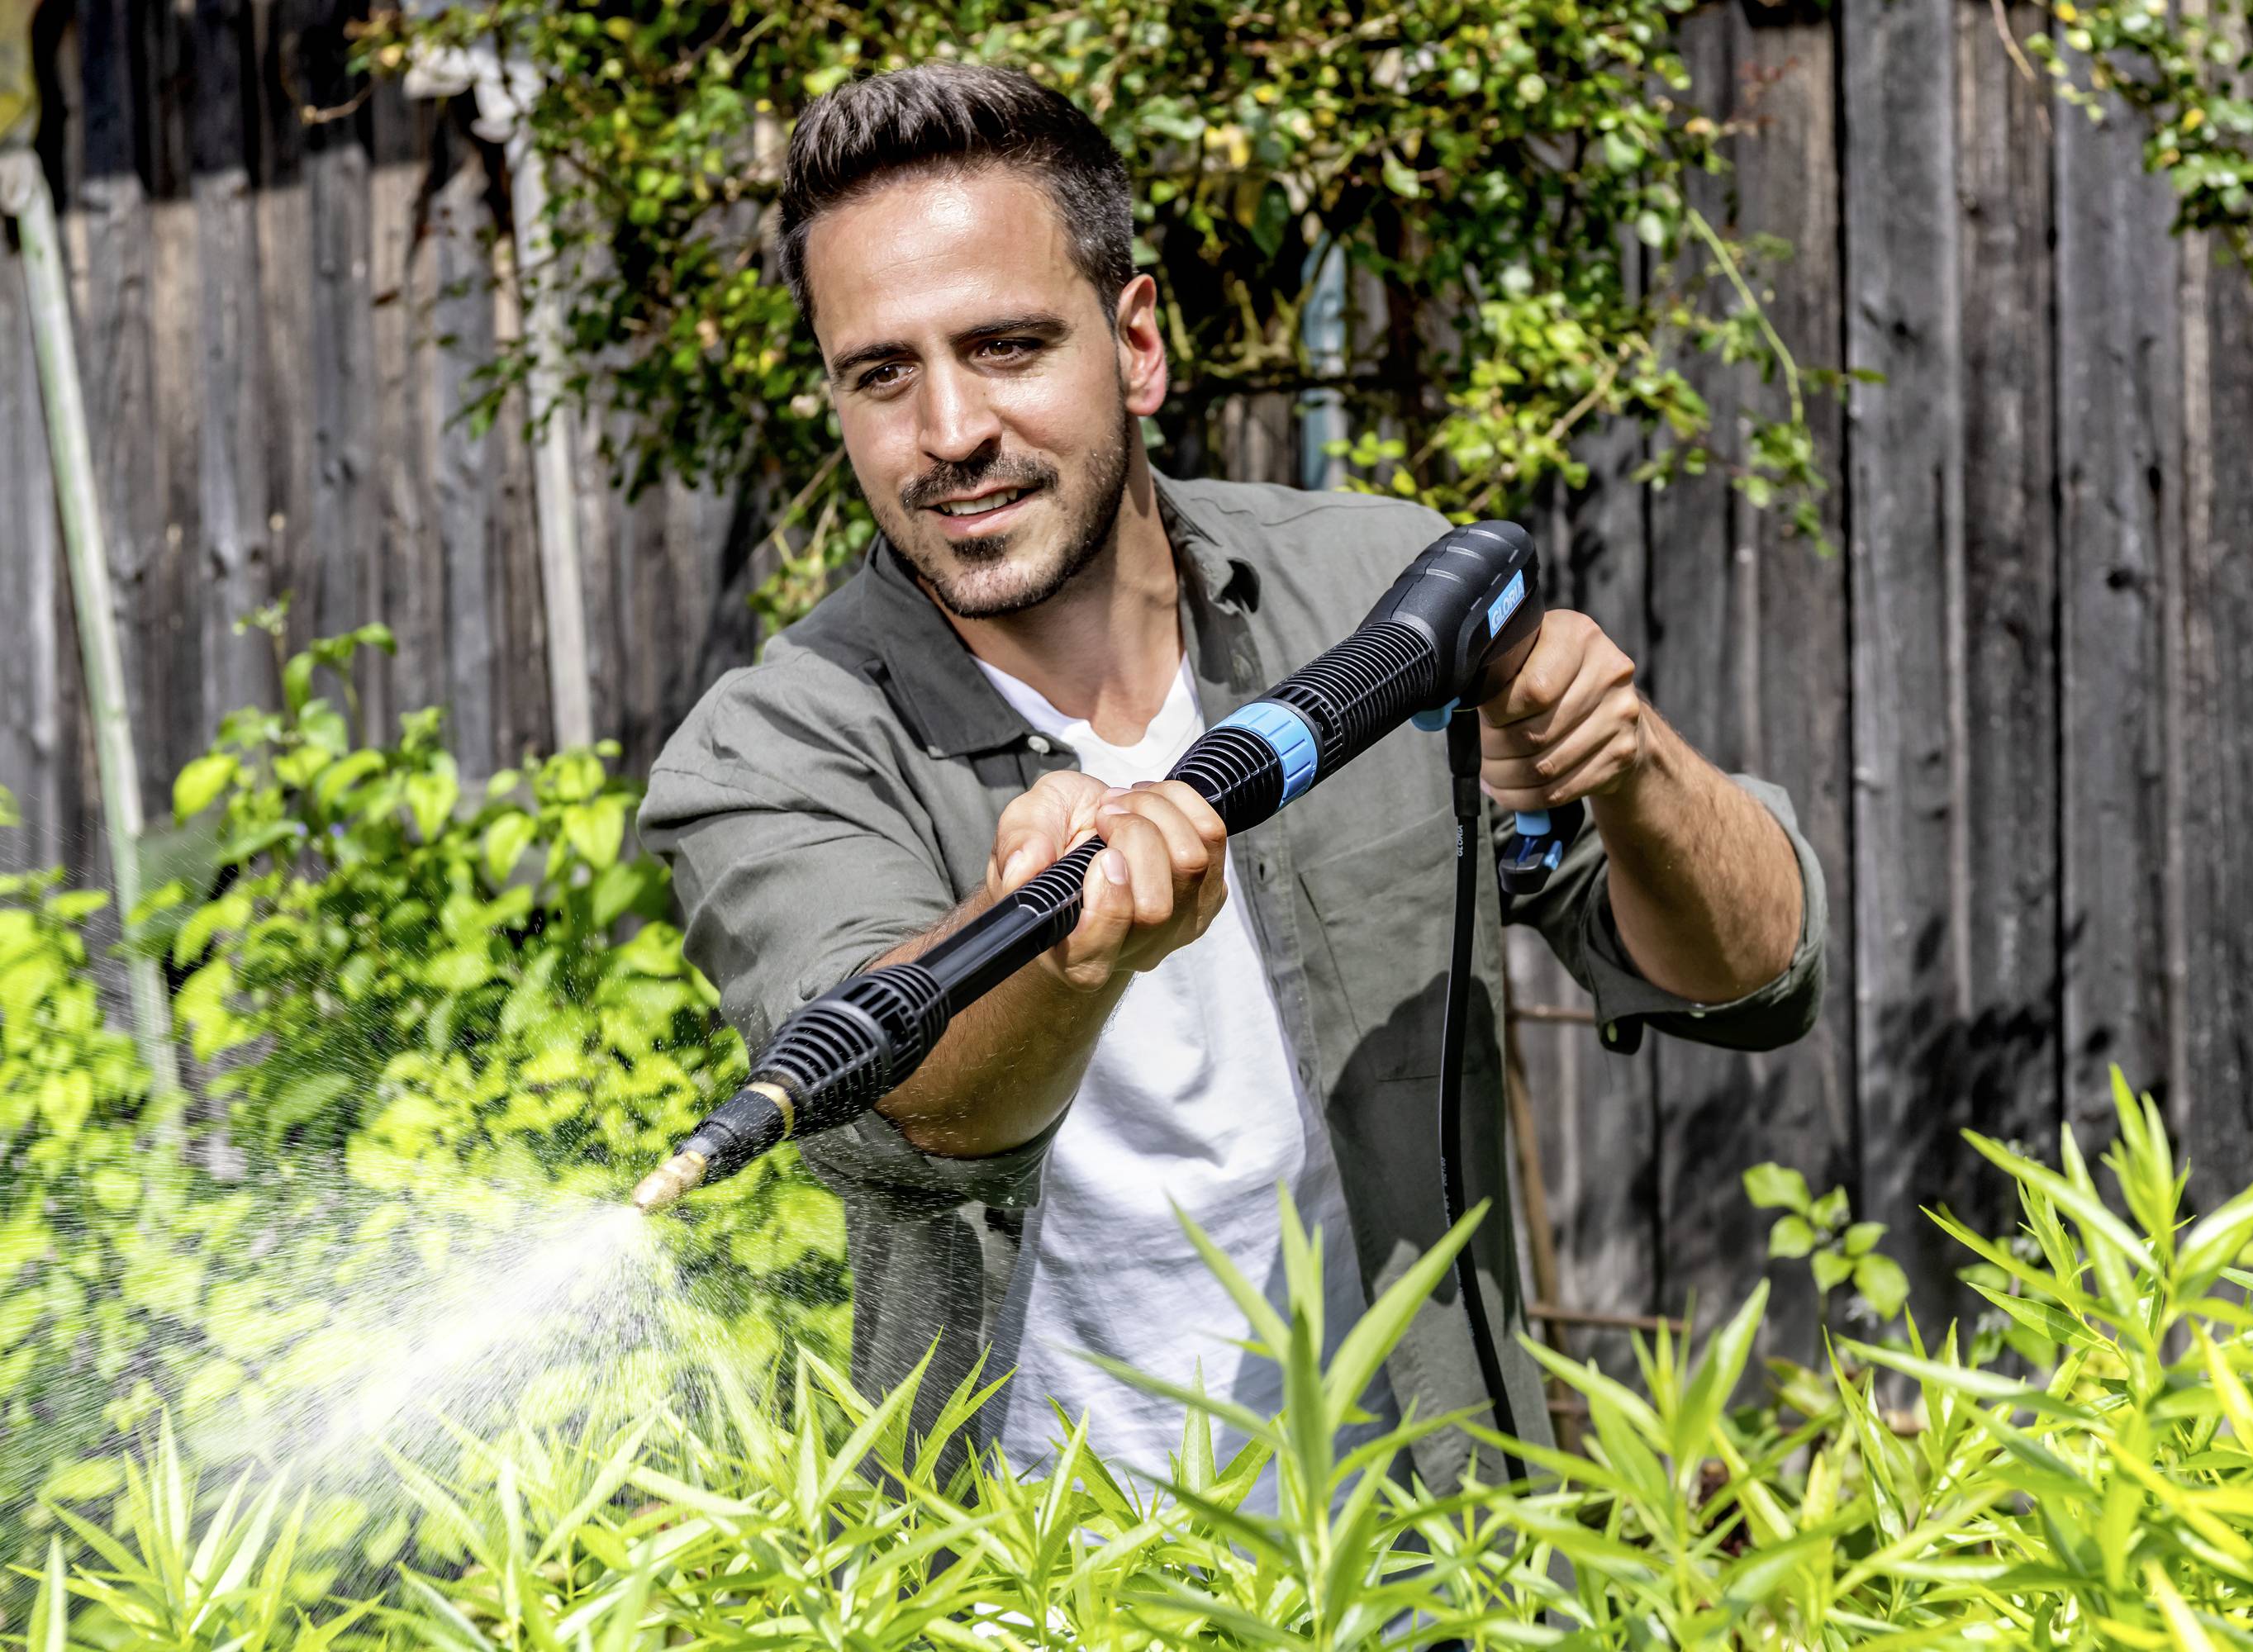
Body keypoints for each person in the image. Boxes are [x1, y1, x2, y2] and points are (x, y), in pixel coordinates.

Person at [638, 62, 1828, 1498]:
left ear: (1135, 343)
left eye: (1008, 347)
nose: (948, 431)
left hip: (1436, 1561)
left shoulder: (1374, 594)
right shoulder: (772, 743)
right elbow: (915, 1122)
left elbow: (1757, 977)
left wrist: (1628, 771)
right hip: (1039, 1595)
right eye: (881, 373)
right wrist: (1057, 957)